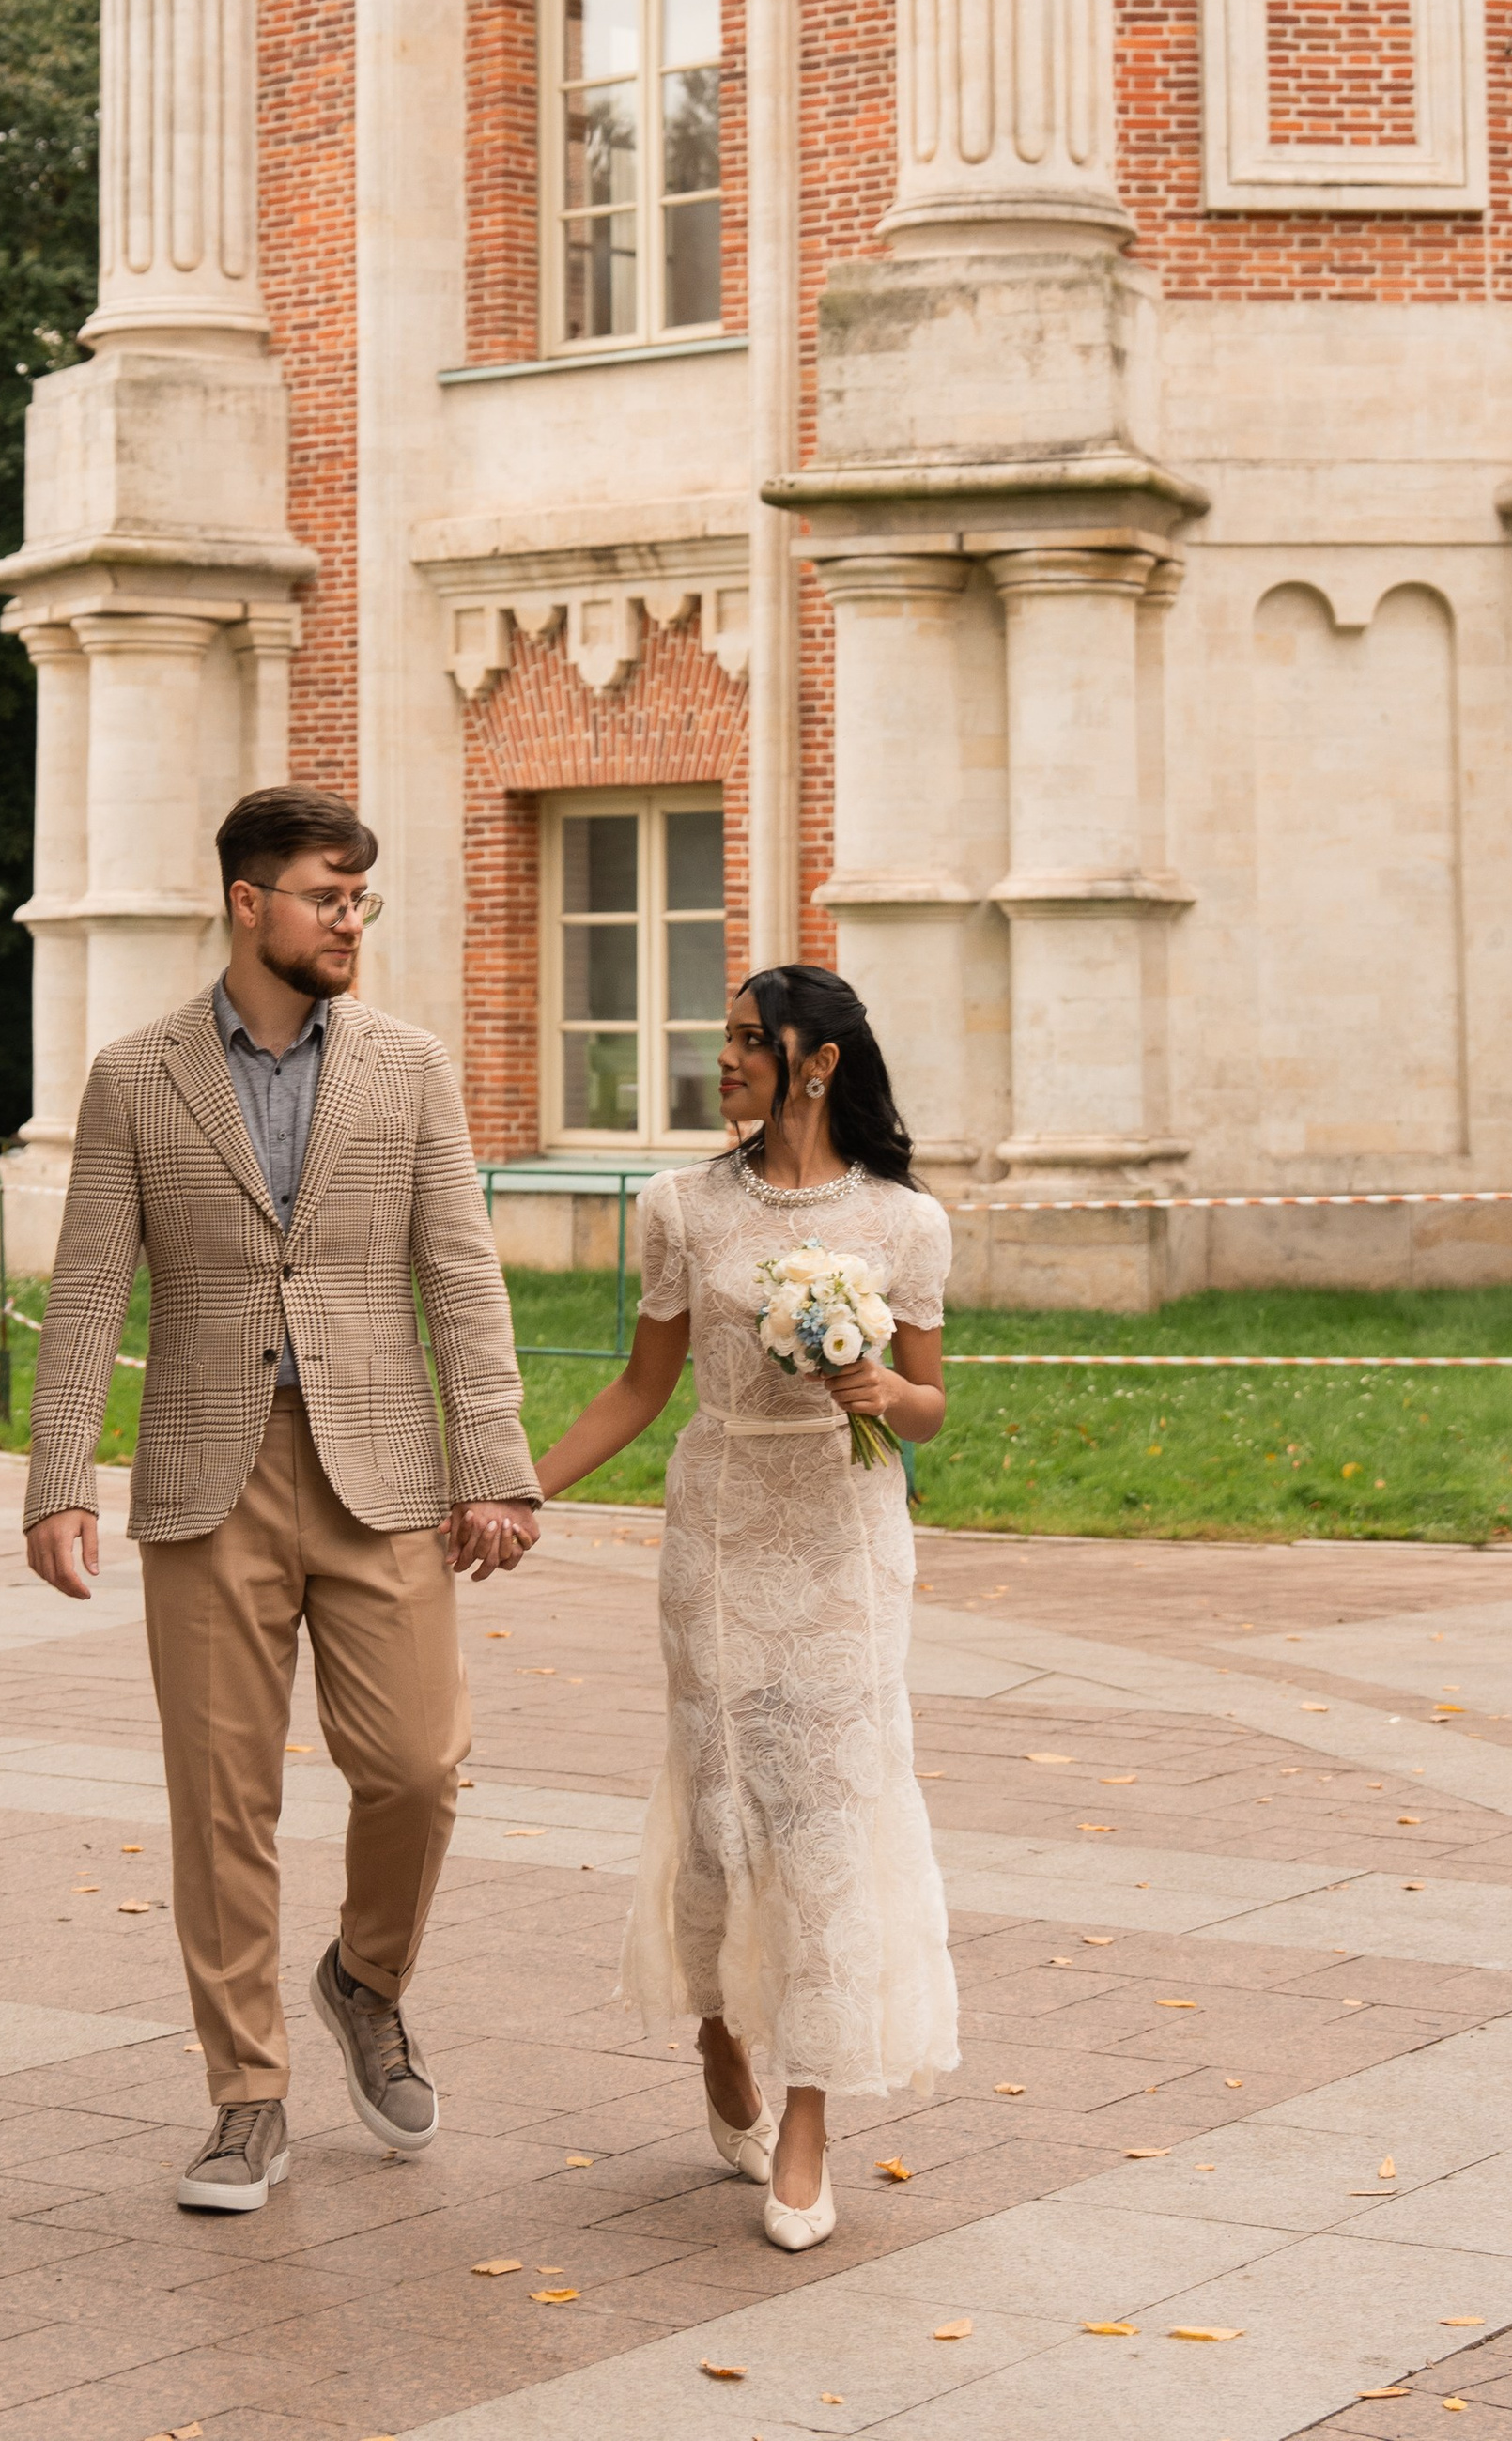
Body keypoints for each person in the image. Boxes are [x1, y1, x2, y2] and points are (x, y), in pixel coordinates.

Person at [22, 784, 541, 2215]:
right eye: (327, 897)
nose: (349, 922)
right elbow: (85, 1294)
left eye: (361, 899)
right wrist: (58, 1474)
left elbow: (462, 1273)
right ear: (249, 905)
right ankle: (245, 2097)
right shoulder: (137, 1076)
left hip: (382, 1474)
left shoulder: (410, 1066)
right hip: (209, 1476)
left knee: (420, 1768)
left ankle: (365, 1978)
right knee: (223, 1801)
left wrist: (494, 1460)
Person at [532, 964, 959, 2249]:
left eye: (742, 1041)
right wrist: (511, 1491)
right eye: (721, 1041)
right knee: (721, 1806)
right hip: (717, 1532)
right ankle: (720, 2024)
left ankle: (809, 2120)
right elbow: (636, 1389)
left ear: (814, 1060)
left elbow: (935, 1404)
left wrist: (885, 1392)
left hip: (842, 1539)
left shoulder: (905, 1224)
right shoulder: (680, 1208)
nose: (720, 1060)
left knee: (827, 1812)